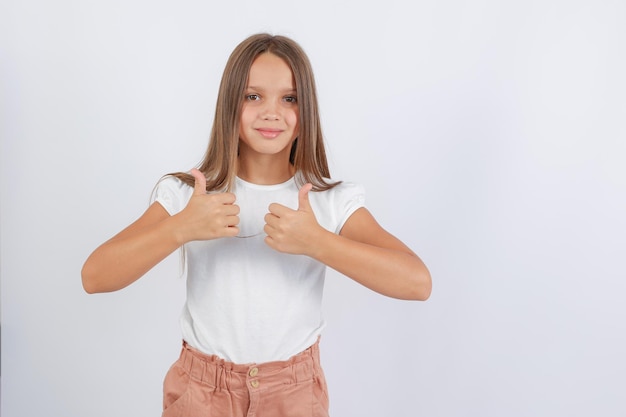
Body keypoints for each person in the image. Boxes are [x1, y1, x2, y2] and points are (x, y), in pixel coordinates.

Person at [81, 33, 431, 417]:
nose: (271, 112)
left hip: (294, 394)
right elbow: (95, 276)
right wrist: (180, 228)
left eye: (289, 98)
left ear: (307, 110)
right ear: (229, 104)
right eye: (253, 96)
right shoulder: (187, 194)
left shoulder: (327, 200)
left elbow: (417, 282)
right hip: (201, 393)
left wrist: (318, 242)